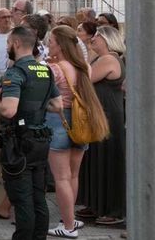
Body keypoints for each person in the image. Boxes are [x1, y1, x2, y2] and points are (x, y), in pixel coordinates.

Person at [0, 27, 60, 240]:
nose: (7, 47)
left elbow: (9, 110)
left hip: (19, 143)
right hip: (40, 140)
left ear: (16, 44)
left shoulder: (15, 73)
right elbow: (56, 105)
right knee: (39, 198)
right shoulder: (45, 70)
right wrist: (34, 107)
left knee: (22, 199)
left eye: (9, 42)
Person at [45, 25, 109, 238]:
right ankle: (69, 217)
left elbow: (46, 99)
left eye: (51, 42)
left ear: (61, 45)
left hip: (59, 120)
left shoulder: (55, 69)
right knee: (73, 174)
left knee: (61, 178)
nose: (48, 45)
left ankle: (68, 226)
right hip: (82, 122)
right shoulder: (84, 67)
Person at [78, 26, 125, 226]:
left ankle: (112, 209)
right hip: (101, 114)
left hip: (108, 116)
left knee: (107, 160)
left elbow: (85, 79)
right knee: (96, 159)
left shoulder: (109, 59)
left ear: (107, 39)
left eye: (96, 37)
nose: (92, 39)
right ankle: (97, 204)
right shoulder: (101, 58)